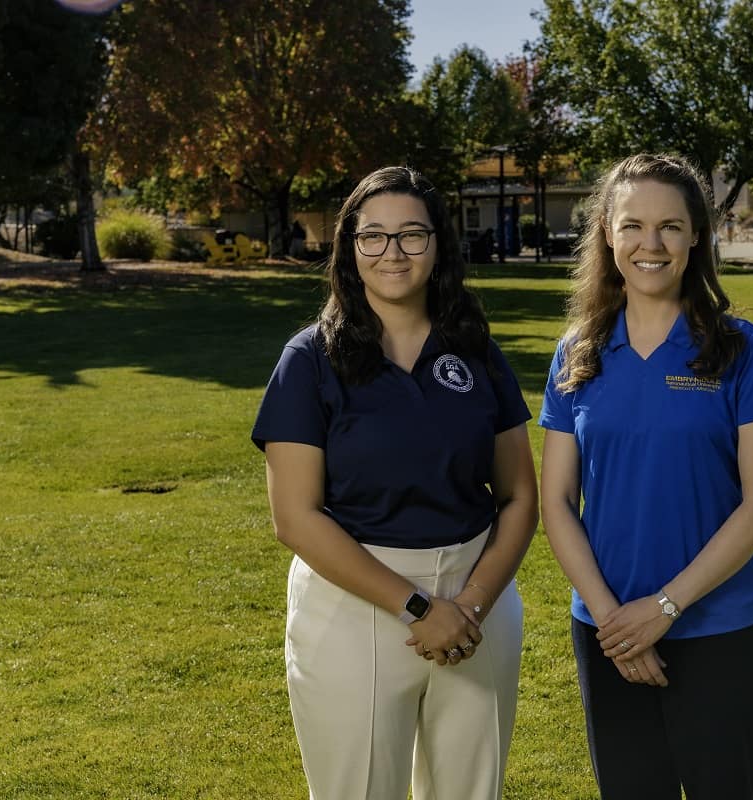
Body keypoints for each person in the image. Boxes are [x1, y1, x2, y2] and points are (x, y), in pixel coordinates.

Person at [251, 166, 538, 800]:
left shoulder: (476, 351)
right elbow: (294, 518)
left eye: (412, 234)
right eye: (372, 236)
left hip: (476, 604)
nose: (393, 252)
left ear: (438, 246)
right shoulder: (308, 361)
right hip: (354, 606)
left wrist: (470, 607)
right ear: (349, 249)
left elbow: (519, 497)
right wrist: (417, 608)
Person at [538, 153, 753, 800]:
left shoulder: (741, 348)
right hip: (608, 634)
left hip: (721, 633)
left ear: (696, 238)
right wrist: (614, 624)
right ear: (606, 232)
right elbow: (556, 502)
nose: (649, 245)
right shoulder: (577, 354)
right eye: (632, 226)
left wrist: (663, 608)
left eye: (670, 227)